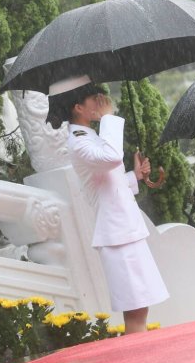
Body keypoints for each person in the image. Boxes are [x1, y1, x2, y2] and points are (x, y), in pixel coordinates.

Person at [46, 75, 169, 333]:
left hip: (125, 230)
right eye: (94, 98)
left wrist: (134, 176)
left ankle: (145, 359)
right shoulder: (79, 141)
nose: (101, 101)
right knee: (135, 312)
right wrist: (109, 118)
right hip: (116, 236)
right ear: (78, 107)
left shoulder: (89, 136)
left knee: (142, 308)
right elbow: (111, 157)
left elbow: (105, 182)